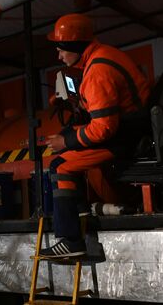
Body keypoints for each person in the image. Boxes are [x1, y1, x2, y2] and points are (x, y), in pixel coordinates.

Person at [40, 13, 151, 258]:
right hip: (131, 128)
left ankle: (71, 240)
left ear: (73, 46)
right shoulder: (103, 55)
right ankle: (82, 213)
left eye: (61, 50)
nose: (59, 56)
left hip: (124, 137)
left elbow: (104, 129)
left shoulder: (97, 72)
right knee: (66, 139)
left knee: (60, 166)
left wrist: (66, 141)